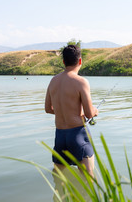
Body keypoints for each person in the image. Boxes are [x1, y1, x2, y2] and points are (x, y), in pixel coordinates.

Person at [45, 44, 98, 177]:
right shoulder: (81, 82)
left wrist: (65, 112)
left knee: (58, 179)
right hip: (78, 135)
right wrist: (95, 111)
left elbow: (48, 109)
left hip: (60, 137)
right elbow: (88, 113)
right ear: (80, 61)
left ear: (63, 61)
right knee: (89, 181)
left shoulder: (53, 81)